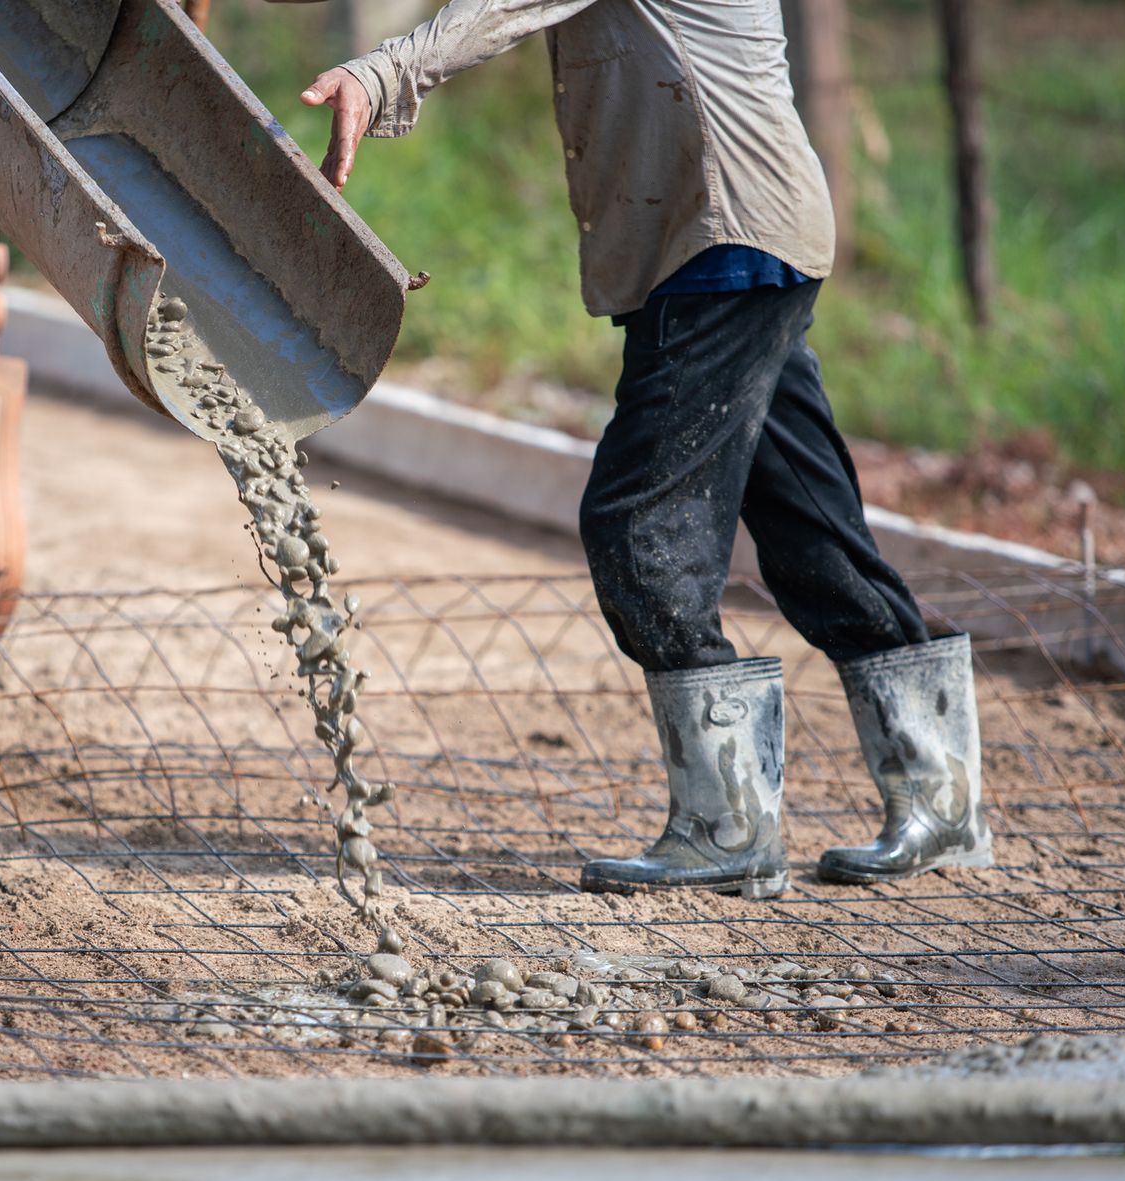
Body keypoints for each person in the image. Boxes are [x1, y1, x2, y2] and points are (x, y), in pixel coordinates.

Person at [298, 0, 991, 898]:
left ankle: (727, 822)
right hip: (741, 239)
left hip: (723, 241)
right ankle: (938, 795)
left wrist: (379, 71)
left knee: (637, 527)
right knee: (811, 530)